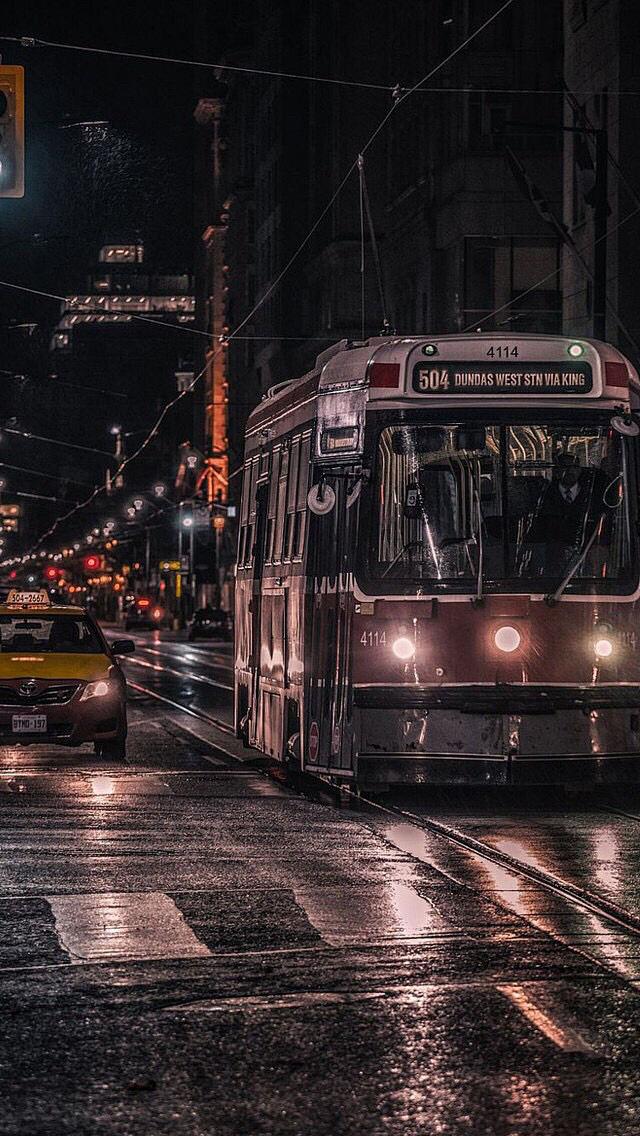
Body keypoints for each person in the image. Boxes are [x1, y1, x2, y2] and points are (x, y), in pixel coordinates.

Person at [526, 451, 609, 575]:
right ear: (557, 471)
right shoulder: (543, 495)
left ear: (580, 470)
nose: (570, 471)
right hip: (550, 563)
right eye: (565, 466)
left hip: (585, 560)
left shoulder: (594, 497)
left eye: (574, 467)